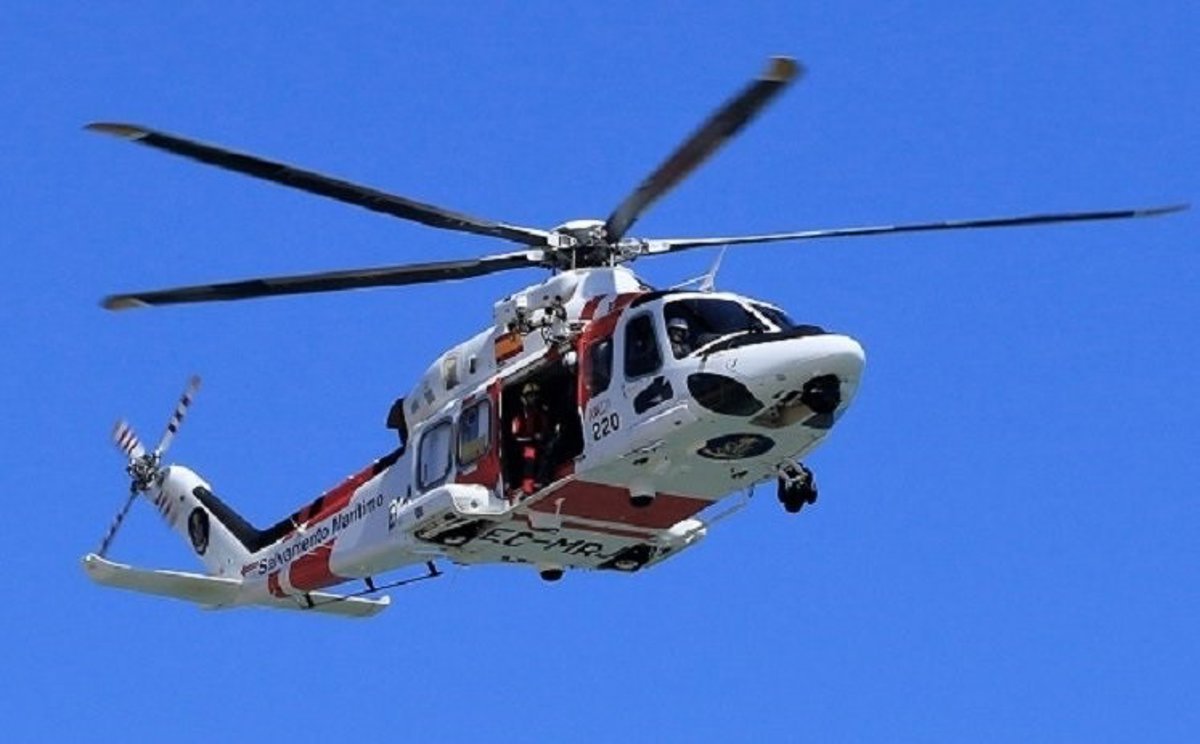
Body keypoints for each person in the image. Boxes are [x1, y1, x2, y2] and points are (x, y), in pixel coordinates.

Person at [511, 381, 560, 496]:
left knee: (550, 450)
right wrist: (533, 437)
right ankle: (528, 489)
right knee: (530, 458)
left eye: (534, 395)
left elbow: (548, 427)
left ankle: (544, 479)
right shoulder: (520, 416)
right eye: (530, 396)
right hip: (527, 446)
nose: (533, 398)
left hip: (542, 442)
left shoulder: (543, 411)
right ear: (524, 398)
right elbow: (516, 436)